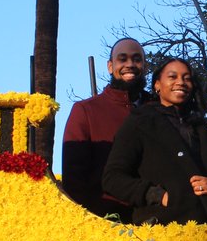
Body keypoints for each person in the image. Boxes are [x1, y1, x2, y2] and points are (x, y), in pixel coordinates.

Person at [102, 57, 207, 225]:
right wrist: (158, 195)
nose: (181, 82)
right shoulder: (140, 122)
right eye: (172, 77)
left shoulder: (201, 130)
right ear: (157, 85)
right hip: (160, 234)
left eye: (187, 78)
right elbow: (112, 178)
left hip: (206, 235)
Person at [61, 38, 148, 217]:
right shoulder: (85, 110)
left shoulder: (158, 109)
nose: (130, 64)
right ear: (110, 66)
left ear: (144, 66)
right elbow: (74, 179)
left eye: (136, 59)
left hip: (159, 223)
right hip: (105, 224)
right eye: (122, 59)